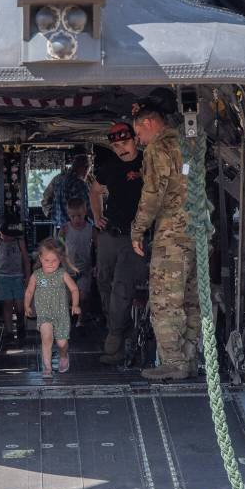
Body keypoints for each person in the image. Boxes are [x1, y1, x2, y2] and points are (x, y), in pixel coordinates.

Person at [130, 97, 199, 381]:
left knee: (165, 300)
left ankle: (172, 362)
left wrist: (137, 229)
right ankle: (189, 359)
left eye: (138, 133)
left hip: (172, 235)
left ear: (148, 123)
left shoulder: (158, 148)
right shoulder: (189, 142)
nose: (139, 140)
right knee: (191, 300)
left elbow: (152, 195)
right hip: (197, 232)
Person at [91, 122, 147, 363]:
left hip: (134, 238)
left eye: (125, 143)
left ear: (136, 140)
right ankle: (118, 331)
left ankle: (115, 337)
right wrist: (96, 217)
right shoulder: (110, 166)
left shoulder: (148, 163)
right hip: (109, 234)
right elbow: (95, 190)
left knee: (122, 288)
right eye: (116, 146)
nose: (121, 149)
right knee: (103, 282)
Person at [24, 237, 81, 378]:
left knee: (62, 343)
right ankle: (47, 367)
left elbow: (74, 289)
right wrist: (27, 305)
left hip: (61, 315)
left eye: (54, 260)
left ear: (60, 259)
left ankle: (63, 356)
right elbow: (29, 291)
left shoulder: (62, 274)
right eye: (47, 260)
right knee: (46, 338)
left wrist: (75, 304)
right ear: (40, 258)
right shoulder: (36, 275)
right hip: (44, 315)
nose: (50, 264)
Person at [0, 221, 31, 338]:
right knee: (7, 304)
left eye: (9, 235)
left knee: (19, 306)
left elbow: (26, 260)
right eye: (5, 235)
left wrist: (28, 277)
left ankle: (20, 324)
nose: (7, 238)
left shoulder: (19, 242)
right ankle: (9, 331)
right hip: (2, 277)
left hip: (18, 276)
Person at [60, 196, 98, 322]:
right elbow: (58, 245)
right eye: (73, 216)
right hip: (68, 270)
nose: (76, 219)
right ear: (68, 214)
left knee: (83, 296)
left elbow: (98, 247)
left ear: (85, 212)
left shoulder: (91, 229)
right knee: (68, 297)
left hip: (84, 269)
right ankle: (68, 319)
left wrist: (97, 265)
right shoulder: (65, 229)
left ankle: (81, 319)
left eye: (79, 216)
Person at [42, 154, 90, 229]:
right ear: (84, 168)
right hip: (75, 228)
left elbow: (46, 197)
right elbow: (88, 209)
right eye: (88, 169)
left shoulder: (57, 178)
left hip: (58, 226)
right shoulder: (79, 184)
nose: (87, 173)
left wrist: (50, 214)